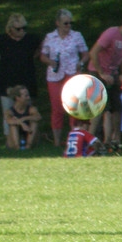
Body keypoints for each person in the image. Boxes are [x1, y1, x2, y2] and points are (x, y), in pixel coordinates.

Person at [87, 15, 122, 144]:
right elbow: (93, 52)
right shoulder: (111, 33)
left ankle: (115, 140)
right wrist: (101, 73)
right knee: (100, 107)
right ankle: (90, 139)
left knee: (117, 107)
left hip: (113, 74)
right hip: (98, 72)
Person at [39, 9, 89, 146]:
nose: (68, 26)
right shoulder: (50, 37)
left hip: (72, 73)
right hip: (55, 75)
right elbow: (43, 56)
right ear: (58, 23)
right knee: (57, 108)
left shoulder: (76, 35)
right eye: (65, 23)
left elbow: (85, 54)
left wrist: (81, 63)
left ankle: (74, 138)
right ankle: (56, 141)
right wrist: (51, 62)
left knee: (73, 106)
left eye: (70, 23)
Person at [0, 14, 41, 137]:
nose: (21, 31)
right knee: (8, 110)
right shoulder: (2, 39)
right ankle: (10, 138)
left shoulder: (31, 39)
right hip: (7, 79)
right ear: (10, 28)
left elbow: (41, 48)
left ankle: (29, 136)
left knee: (28, 109)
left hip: (26, 78)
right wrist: (0, 57)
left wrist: (33, 57)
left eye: (24, 28)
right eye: (18, 29)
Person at [4, 84, 41, 151]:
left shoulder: (31, 109)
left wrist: (24, 118)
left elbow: (38, 117)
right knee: (13, 125)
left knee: (34, 122)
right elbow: (8, 120)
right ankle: (17, 147)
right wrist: (22, 123)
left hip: (29, 135)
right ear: (17, 98)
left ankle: (28, 146)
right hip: (13, 138)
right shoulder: (9, 111)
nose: (28, 98)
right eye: (26, 96)